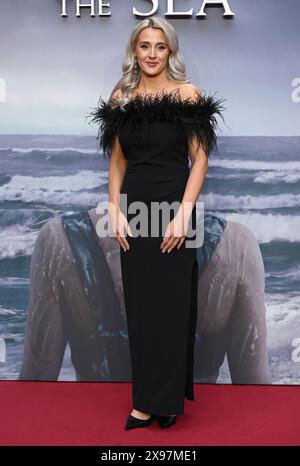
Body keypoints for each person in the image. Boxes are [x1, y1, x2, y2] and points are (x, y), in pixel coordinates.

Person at [88, 16, 226, 430]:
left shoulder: (187, 95)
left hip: (174, 207)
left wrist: (184, 214)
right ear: (135, 51)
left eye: (159, 46)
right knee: (142, 306)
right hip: (134, 210)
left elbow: (199, 159)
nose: (151, 54)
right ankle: (144, 401)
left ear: (171, 51)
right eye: (144, 46)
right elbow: (117, 160)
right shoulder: (121, 99)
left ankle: (166, 401)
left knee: (172, 305)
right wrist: (114, 209)